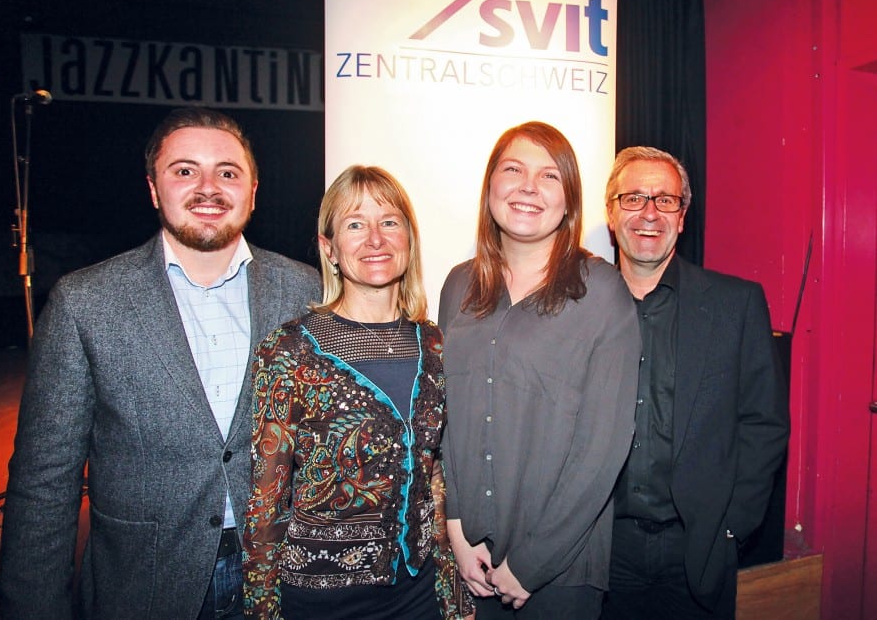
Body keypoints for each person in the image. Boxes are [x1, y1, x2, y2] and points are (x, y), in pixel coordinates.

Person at [0, 107, 320, 619]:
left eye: (228, 172)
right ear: (153, 189)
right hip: (145, 583)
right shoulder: (85, 303)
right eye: (185, 170)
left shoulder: (308, 292)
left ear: (253, 191)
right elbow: (45, 481)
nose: (208, 187)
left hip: (286, 578)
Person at [242, 165, 474, 620]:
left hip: (418, 594)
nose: (375, 239)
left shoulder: (434, 343)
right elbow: (265, 501)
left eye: (389, 222)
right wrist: (262, 610)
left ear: (408, 238)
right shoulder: (289, 350)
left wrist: (451, 592)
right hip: (320, 600)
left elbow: (434, 476)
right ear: (329, 249)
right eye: (355, 224)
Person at [438, 121, 642, 619]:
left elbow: (604, 446)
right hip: (471, 561)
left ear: (570, 201)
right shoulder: (458, 286)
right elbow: (446, 419)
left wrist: (532, 563)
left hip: (560, 573)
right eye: (513, 170)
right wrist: (457, 529)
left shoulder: (602, 292)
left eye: (549, 176)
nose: (528, 186)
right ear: (490, 187)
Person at [600, 146, 790, 619]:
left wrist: (733, 526)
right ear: (610, 213)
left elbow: (764, 424)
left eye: (665, 200)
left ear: (682, 218)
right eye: (633, 198)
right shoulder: (578, 308)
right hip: (600, 549)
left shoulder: (736, 305)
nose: (649, 213)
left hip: (699, 547)